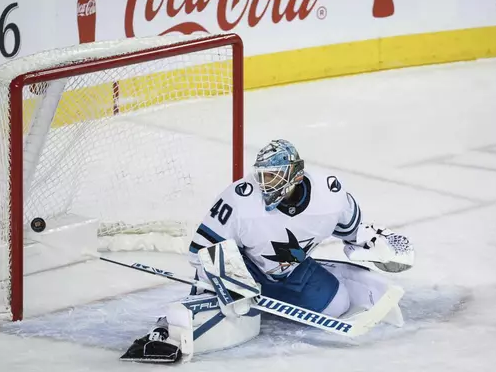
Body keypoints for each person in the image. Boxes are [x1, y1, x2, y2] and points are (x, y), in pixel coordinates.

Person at [121, 139, 414, 363]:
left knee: (337, 305)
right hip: (244, 264)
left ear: (296, 176)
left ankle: (267, 296)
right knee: (238, 309)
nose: (263, 184)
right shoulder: (240, 199)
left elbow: (355, 233)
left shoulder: (330, 195)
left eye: (272, 177)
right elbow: (202, 249)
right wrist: (234, 285)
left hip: (293, 266)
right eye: (262, 176)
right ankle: (171, 323)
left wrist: (377, 247)